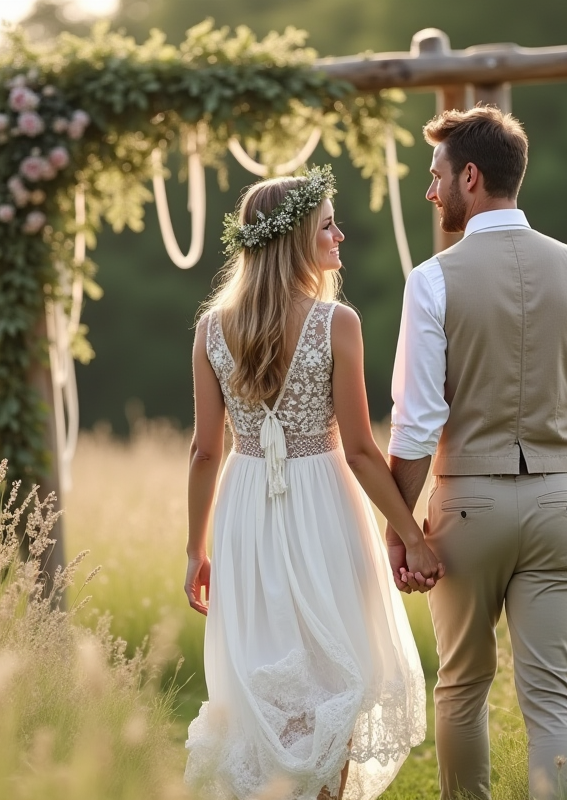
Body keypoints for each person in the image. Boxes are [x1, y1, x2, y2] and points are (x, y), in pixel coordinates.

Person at [385, 107, 567, 800]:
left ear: (470, 175)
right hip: (562, 506)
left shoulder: (432, 280)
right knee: (553, 700)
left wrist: (402, 526)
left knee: (462, 686)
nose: (431, 193)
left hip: (469, 510)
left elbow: (416, 422)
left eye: (436, 178)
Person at [183, 166, 443, 800]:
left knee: (269, 671)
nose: (341, 235)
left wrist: (195, 548)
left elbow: (203, 451)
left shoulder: (211, 331)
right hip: (324, 503)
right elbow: (358, 449)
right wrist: (412, 533)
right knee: (341, 669)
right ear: (297, 238)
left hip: (246, 509)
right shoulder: (337, 323)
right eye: (328, 224)